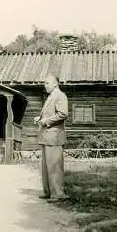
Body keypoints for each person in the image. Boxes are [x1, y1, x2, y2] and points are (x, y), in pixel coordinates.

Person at [34, 74, 69, 203]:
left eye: (47, 83)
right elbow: (51, 114)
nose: (45, 85)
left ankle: (58, 194)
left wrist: (45, 122)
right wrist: (40, 119)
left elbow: (63, 114)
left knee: (54, 166)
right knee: (46, 166)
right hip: (47, 137)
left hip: (54, 136)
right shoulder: (50, 97)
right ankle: (48, 192)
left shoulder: (60, 95)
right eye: (45, 83)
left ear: (55, 84)